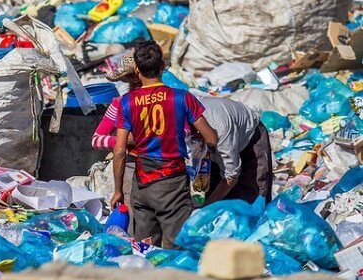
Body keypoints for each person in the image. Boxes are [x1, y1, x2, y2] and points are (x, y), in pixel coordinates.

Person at [111, 41, 218, 248]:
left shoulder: (126, 102)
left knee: (145, 246)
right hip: (172, 184)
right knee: (177, 248)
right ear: (162, 67)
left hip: (142, 183)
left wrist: (118, 191)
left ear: (137, 70)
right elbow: (212, 138)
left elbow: (119, 151)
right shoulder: (182, 98)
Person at [91, 50, 141, 229]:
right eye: (130, 79)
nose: (134, 84)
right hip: (128, 168)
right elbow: (97, 139)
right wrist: (125, 140)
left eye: (137, 78)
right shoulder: (119, 103)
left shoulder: (166, 101)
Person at [197, 97, 273, 205]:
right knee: (214, 187)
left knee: (254, 193)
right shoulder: (182, 123)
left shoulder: (222, 131)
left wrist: (206, 208)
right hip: (219, 139)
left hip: (250, 137)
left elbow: (230, 178)